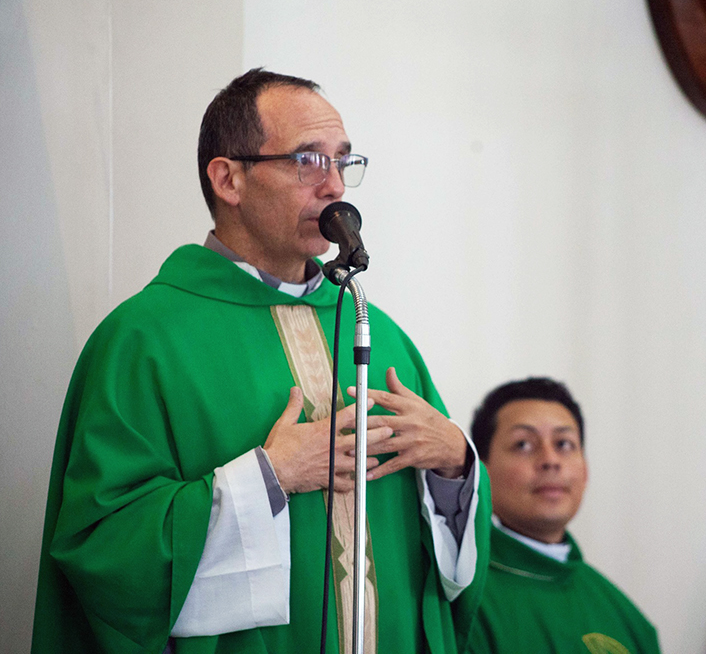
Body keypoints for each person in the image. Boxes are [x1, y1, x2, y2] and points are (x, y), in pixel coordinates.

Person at [31, 68, 491, 654]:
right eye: (307, 160)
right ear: (229, 179)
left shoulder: (379, 335)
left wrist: (456, 466)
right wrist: (268, 478)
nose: (334, 188)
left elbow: (440, 571)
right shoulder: (143, 341)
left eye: (343, 162)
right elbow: (103, 552)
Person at [464, 377, 661, 654]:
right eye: (523, 444)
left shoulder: (628, 618)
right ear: (481, 472)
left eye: (564, 444)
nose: (550, 460)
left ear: (585, 470)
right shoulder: (459, 599)